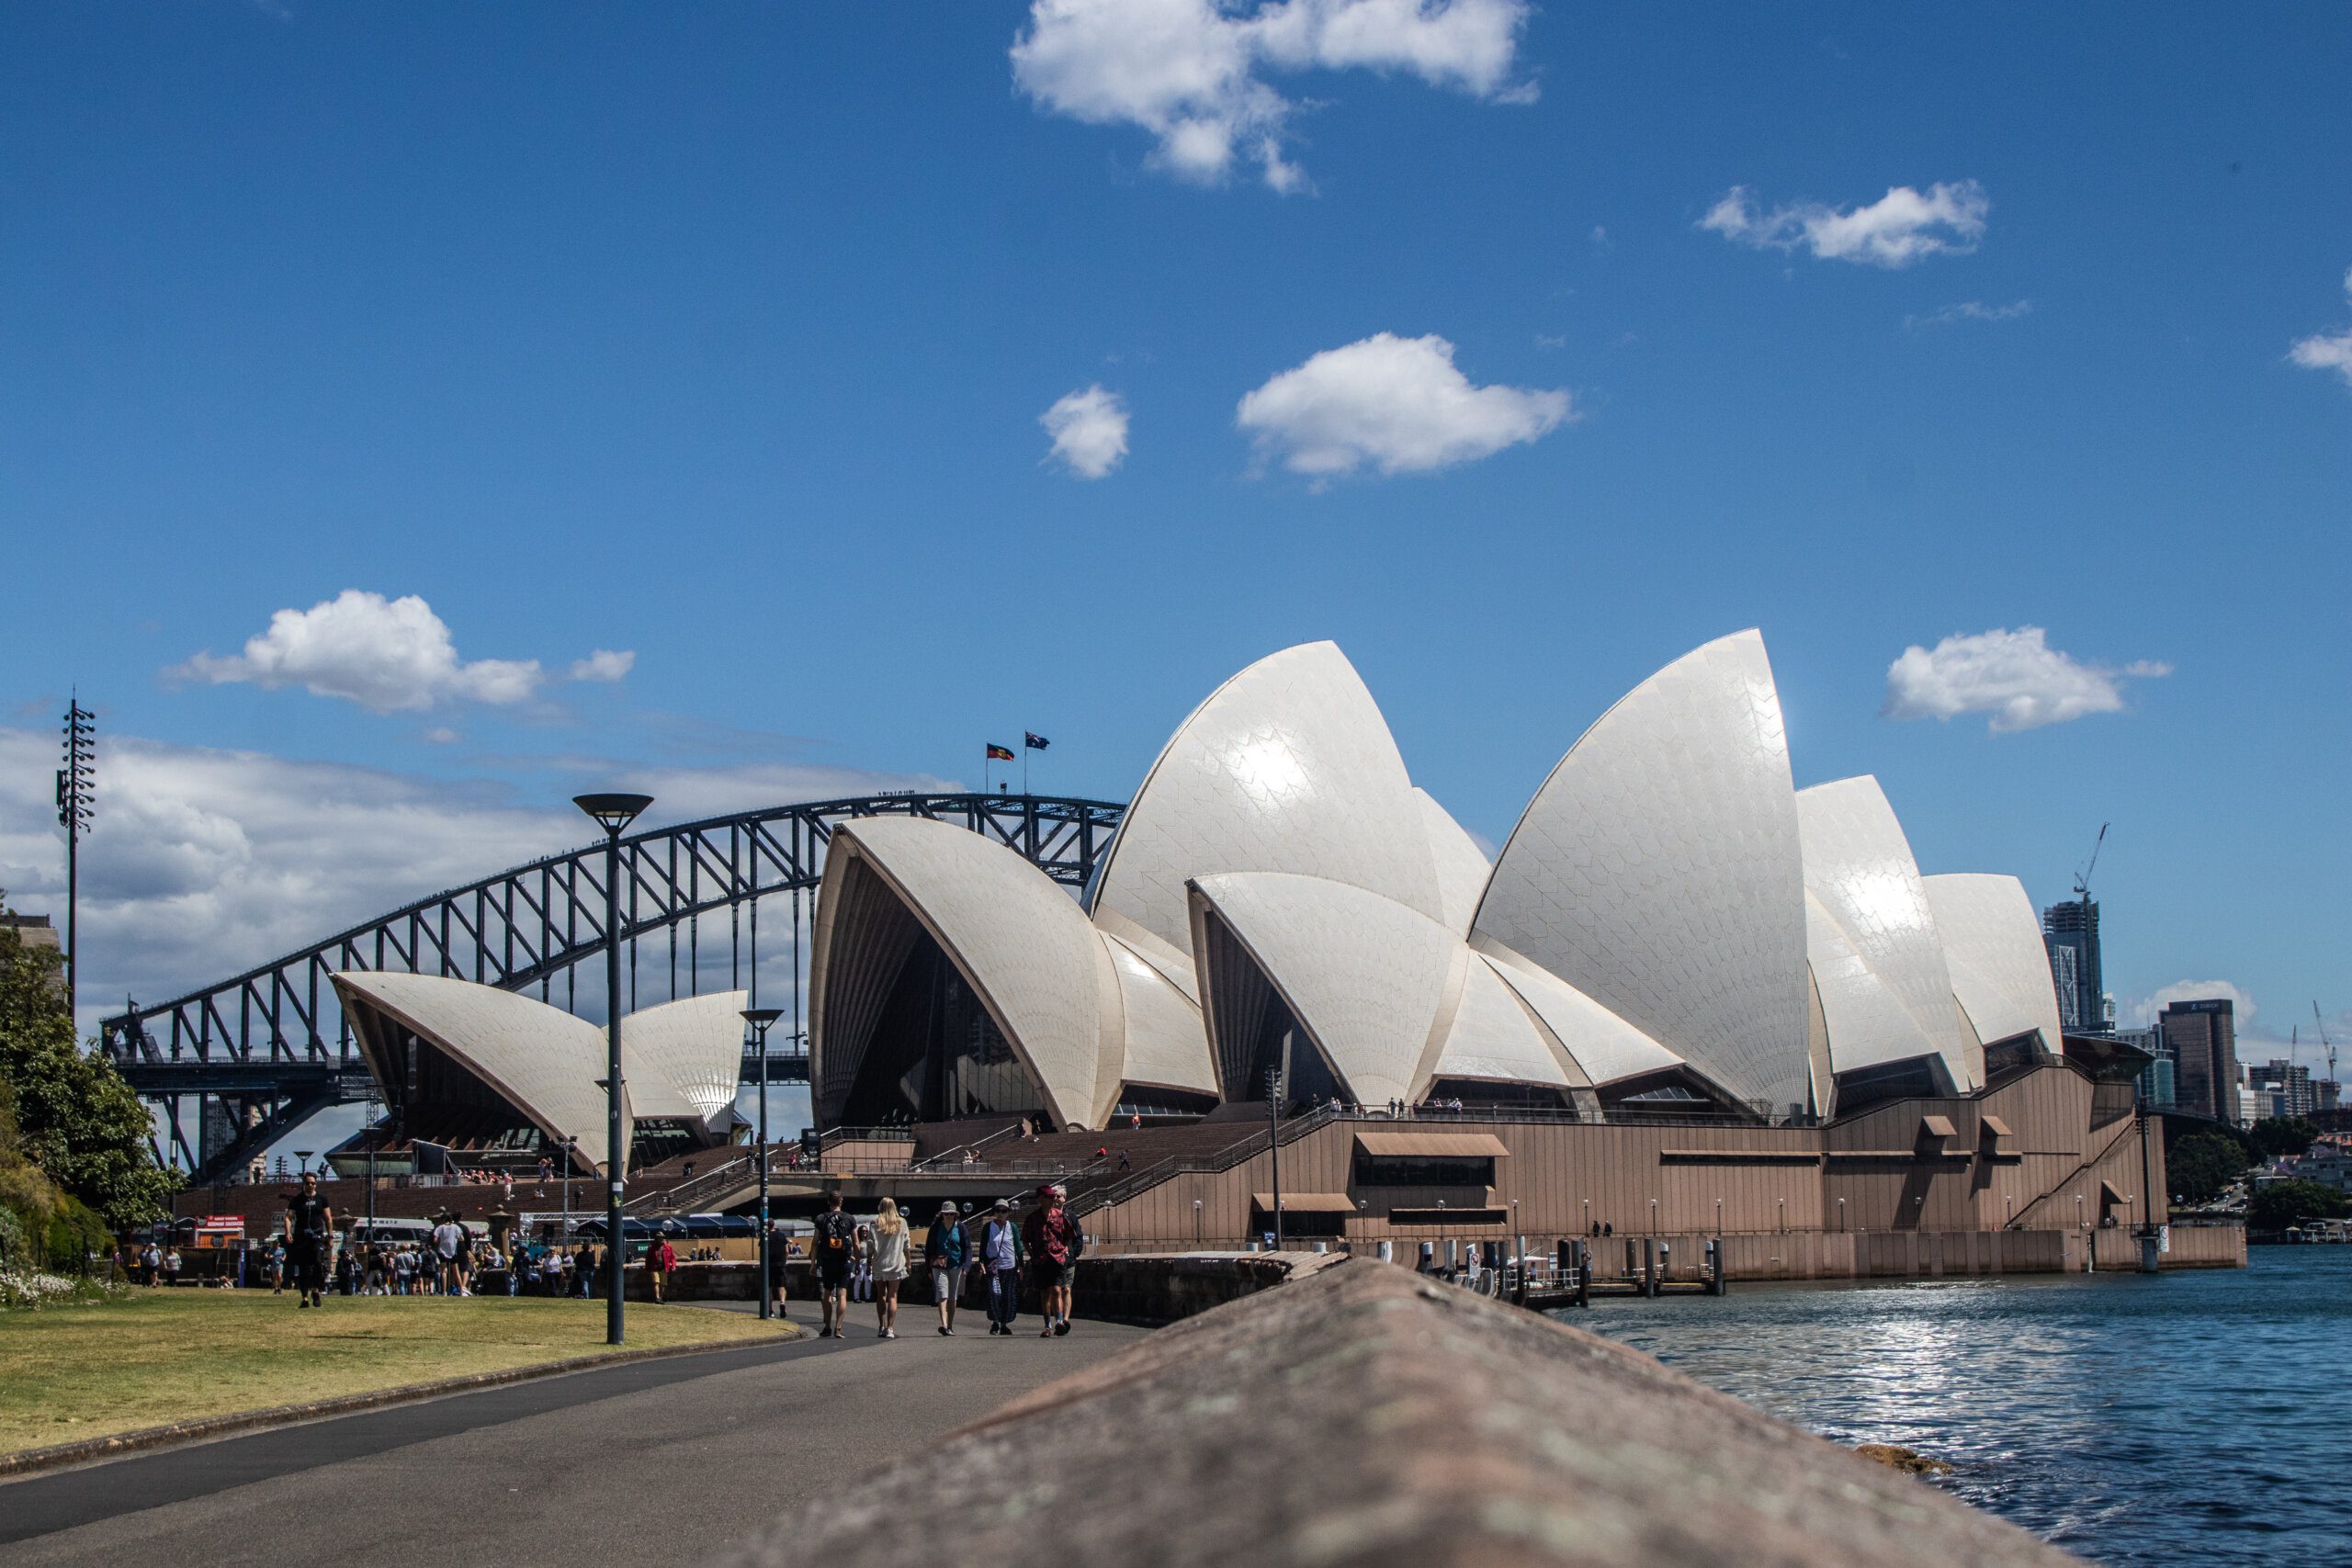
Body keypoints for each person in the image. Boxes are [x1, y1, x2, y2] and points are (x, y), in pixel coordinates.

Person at [1022, 1183, 1081, 1337]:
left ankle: (1059, 1322)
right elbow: (1025, 1239)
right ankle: (1047, 1325)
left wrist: (1065, 1250)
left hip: (1057, 1259)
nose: (1053, 1200)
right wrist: (1032, 1255)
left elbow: (1070, 1235)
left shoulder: (1060, 1215)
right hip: (1041, 1259)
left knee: (1057, 1289)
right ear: (1041, 1199)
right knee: (1044, 1293)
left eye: (1053, 1197)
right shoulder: (1032, 1218)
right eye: (1049, 1197)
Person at [284, 1172, 334, 1308]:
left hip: (317, 1235)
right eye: (307, 1183)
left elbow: (328, 1218)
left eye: (312, 1183)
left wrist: (330, 1236)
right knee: (304, 1268)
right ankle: (305, 1298)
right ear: (304, 1184)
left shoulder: (322, 1199)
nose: (310, 1185)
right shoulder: (297, 1200)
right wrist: (288, 1232)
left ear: (316, 1184)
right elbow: (288, 1217)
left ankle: (316, 1290)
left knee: (318, 1263)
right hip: (302, 1236)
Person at [811, 1192, 855, 1337]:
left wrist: (813, 1263)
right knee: (842, 1294)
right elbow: (856, 1242)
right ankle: (839, 1327)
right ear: (841, 1201)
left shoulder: (821, 1218)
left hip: (827, 1260)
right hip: (844, 1260)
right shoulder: (849, 1218)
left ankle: (827, 1326)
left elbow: (815, 1242)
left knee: (827, 1294)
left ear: (828, 1202)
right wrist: (856, 1258)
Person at [979, 1199, 1023, 1336]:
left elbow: (1018, 1247)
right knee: (995, 1294)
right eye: (998, 1210)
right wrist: (981, 1262)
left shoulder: (1012, 1227)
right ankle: (995, 1322)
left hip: (1009, 1266)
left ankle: (1004, 1324)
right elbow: (983, 1246)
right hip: (993, 1266)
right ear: (994, 1212)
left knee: (1008, 1296)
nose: (1000, 1213)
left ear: (1008, 1212)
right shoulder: (988, 1227)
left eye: (1003, 1211)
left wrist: (1021, 1265)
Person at [865, 1198, 909, 1338]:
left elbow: (870, 1246)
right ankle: (890, 1328)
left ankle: (881, 1326)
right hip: (896, 1263)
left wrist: (869, 1262)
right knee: (893, 1296)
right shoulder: (902, 1222)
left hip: (879, 1263)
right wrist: (908, 1262)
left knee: (881, 1295)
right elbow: (906, 1245)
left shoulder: (875, 1223)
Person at [924, 1201, 967, 1337]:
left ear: (955, 1215)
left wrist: (966, 1266)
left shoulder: (960, 1227)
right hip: (939, 1265)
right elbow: (929, 1248)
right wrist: (928, 1268)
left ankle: (950, 1325)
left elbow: (967, 1247)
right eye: (946, 1214)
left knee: (952, 1297)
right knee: (943, 1294)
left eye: (951, 1214)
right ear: (942, 1215)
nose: (949, 1216)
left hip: (956, 1265)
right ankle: (943, 1324)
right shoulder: (936, 1227)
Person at [431, 1213, 465, 1297]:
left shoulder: (440, 1227)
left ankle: (444, 1291)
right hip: (452, 1251)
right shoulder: (456, 1227)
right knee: (456, 1271)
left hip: (442, 1251)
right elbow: (461, 1238)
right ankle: (461, 1290)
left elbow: (435, 1240)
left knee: (444, 1271)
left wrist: (441, 1240)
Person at [768, 1220, 793, 1317]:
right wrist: (784, 1261)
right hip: (780, 1264)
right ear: (773, 1225)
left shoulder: (765, 1236)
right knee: (781, 1286)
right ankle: (782, 1302)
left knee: (769, 1288)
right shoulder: (782, 1235)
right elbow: (787, 1251)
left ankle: (770, 1310)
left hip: (769, 1265)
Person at [646, 1233, 676, 1304]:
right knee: (656, 1282)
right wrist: (647, 1268)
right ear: (657, 1239)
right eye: (660, 1237)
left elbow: (673, 1257)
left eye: (662, 1237)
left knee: (663, 1284)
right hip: (654, 1267)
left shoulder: (668, 1247)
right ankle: (657, 1298)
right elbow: (648, 1258)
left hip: (664, 1268)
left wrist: (673, 1265)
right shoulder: (651, 1247)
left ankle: (660, 1298)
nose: (662, 1239)